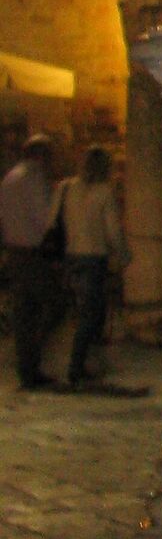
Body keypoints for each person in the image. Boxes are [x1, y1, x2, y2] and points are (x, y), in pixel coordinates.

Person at [50, 145, 128, 391]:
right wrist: (123, 254)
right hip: (94, 258)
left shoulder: (65, 188)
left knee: (81, 311)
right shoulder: (105, 192)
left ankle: (82, 363)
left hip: (71, 257)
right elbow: (113, 230)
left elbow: (51, 221)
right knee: (91, 314)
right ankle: (77, 366)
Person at [1, 133, 61, 390]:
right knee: (55, 304)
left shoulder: (10, 177)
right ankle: (32, 360)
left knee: (24, 314)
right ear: (42, 155)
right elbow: (46, 217)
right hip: (34, 254)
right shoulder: (35, 178)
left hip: (14, 252)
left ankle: (27, 370)